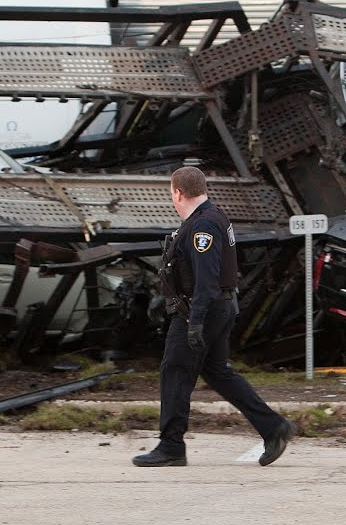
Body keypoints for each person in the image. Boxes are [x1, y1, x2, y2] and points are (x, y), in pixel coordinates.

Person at [132, 166, 295, 468]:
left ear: (177, 192)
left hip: (202, 310)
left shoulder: (203, 226)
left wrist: (194, 323)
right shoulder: (212, 217)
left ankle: (171, 447)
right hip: (218, 308)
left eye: (172, 193)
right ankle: (274, 428)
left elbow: (206, 280)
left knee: (175, 373)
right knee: (218, 372)